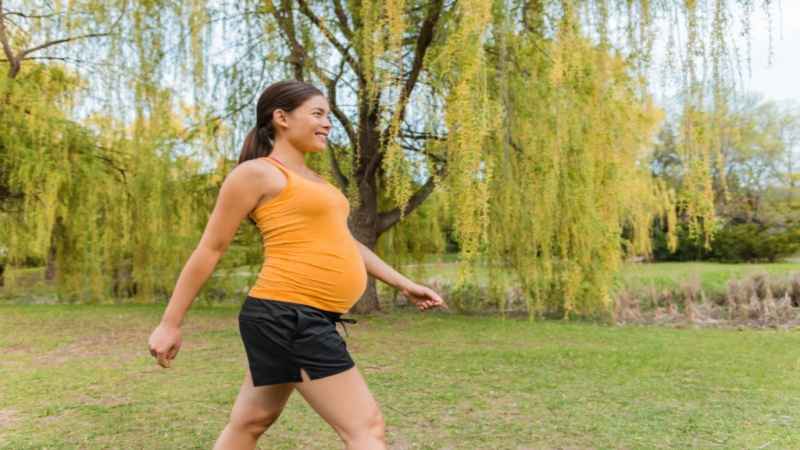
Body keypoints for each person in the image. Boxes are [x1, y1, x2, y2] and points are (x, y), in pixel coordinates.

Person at [147, 79, 447, 450]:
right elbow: (210, 248)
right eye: (318, 114)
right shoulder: (257, 173)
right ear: (281, 118)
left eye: (329, 117)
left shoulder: (316, 181)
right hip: (289, 315)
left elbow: (345, 243)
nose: (327, 124)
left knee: (249, 422)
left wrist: (402, 282)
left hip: (297, 316)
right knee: (366, 429)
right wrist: (169, 323)